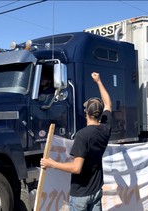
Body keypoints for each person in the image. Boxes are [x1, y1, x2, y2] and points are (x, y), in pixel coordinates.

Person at [41, 72, 112, 211]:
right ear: (99, 114)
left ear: (86, 113)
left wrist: (52, 163)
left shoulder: (82, 136)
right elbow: (108, 103)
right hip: (96, 190)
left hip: (81, 194)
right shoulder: (106, 128)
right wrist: (99, 81)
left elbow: (76, 168)